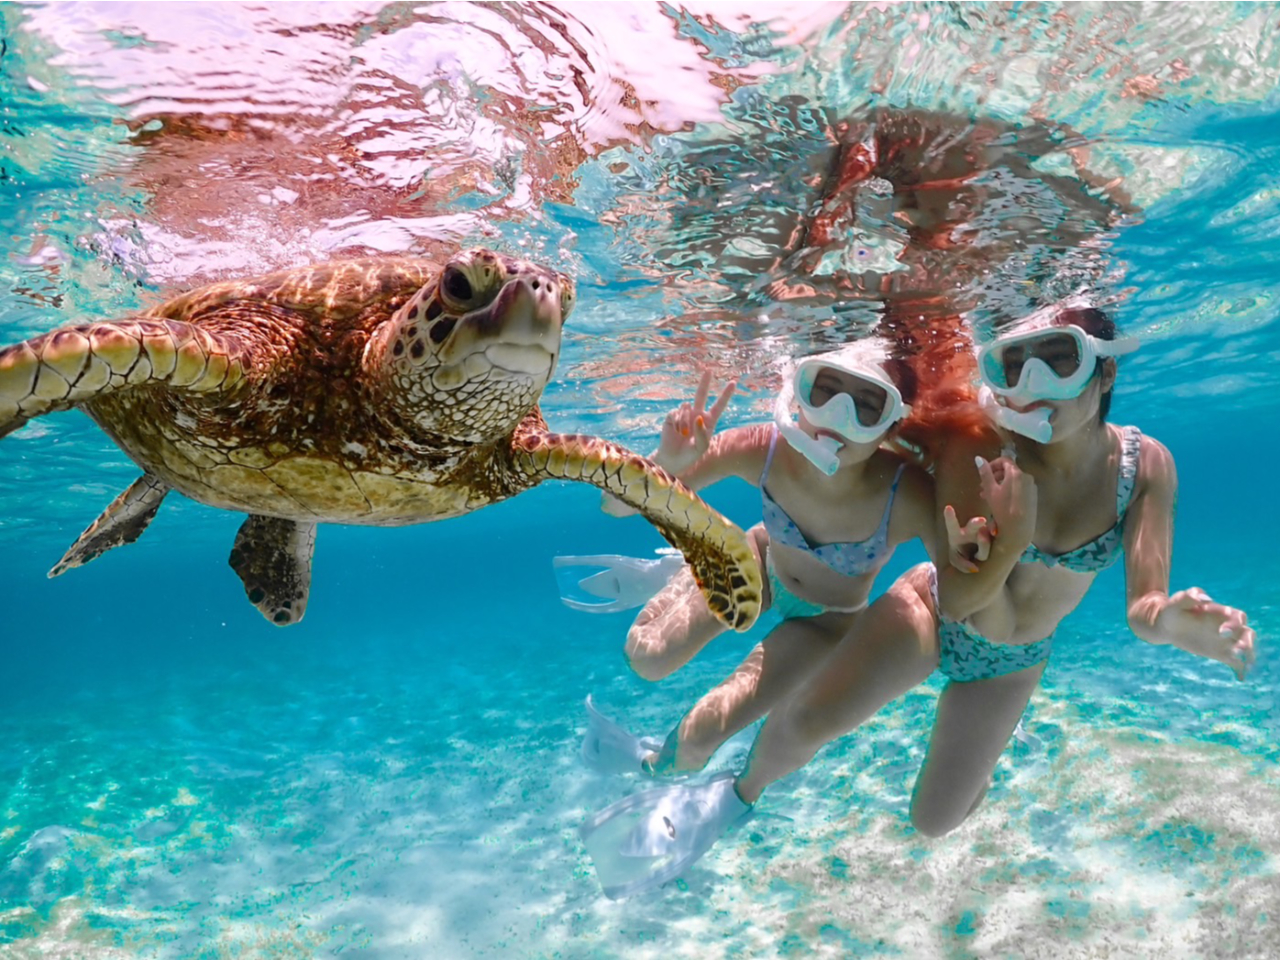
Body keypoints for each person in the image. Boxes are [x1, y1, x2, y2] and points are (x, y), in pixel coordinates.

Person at [580, 298, 1256, 899]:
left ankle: (972, 765)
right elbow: (957, 596)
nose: (1032, 388)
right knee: (805, 722)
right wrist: (670, 469)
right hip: (933, 611)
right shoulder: (975, 446)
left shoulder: (1145, 467)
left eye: (1058, 360)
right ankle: (731, 799)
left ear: (1104, 372)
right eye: (1012, 366)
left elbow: (1145, 604)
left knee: (934, 821)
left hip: (1013, 661)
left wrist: (1167, 623)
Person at [578, 337, 937, 780]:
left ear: (891, 426)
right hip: (757, 562)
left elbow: (963, 579)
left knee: (698, 739)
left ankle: (652, 769)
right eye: (822, 391)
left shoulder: (906, 494)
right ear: (797, 394)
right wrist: (666, 462)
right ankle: (688, 567)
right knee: (646, 656)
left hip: (825, 620)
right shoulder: (763, 448)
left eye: (867, 405)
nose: (837, 419)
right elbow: (613, 507)